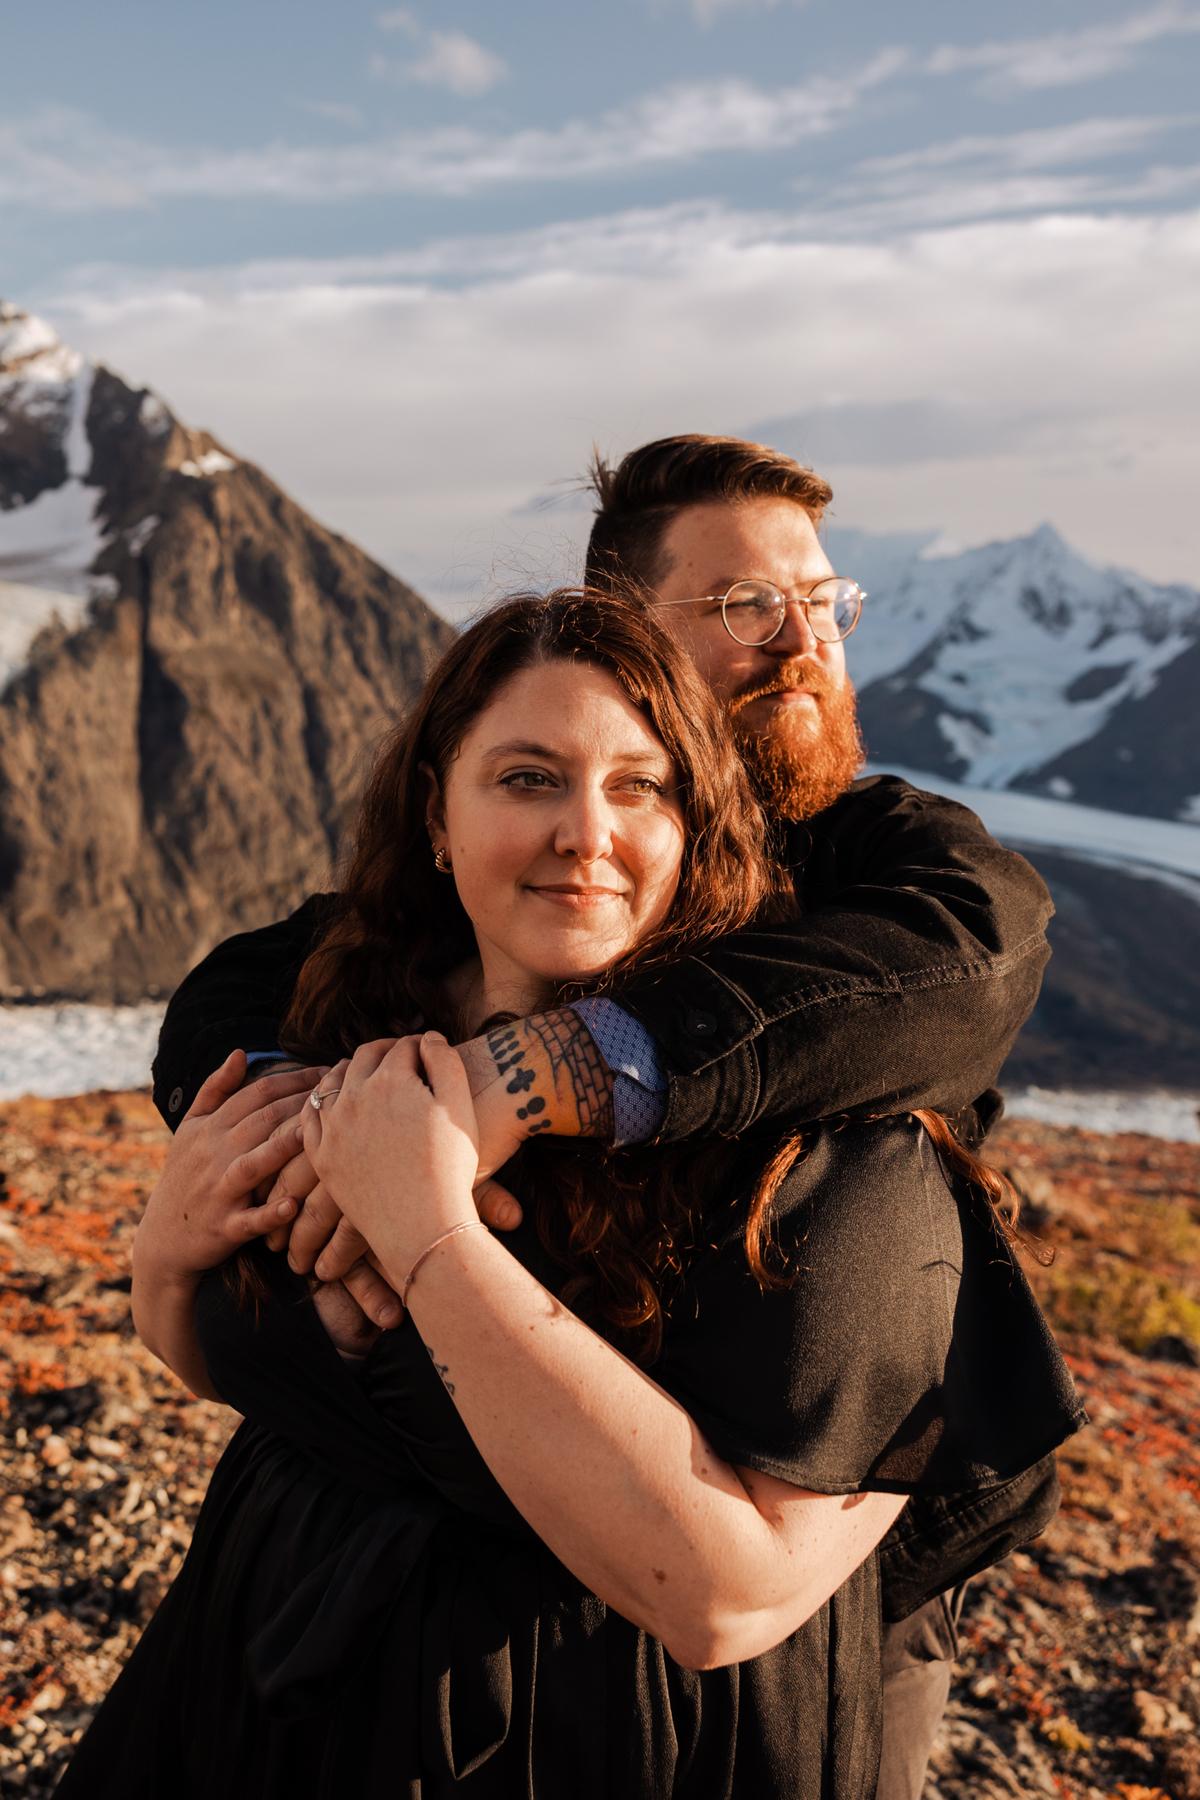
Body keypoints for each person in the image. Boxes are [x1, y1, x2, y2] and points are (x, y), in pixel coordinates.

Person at [150, 436, 1060, 1798]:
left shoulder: (882, 882)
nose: (805, 642)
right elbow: (234, 994)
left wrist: (522, 1086)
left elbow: (974, 960)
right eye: (751, 606)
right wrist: (293, 1150)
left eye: (827, 603)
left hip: (715, 1659)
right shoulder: (405, 967)